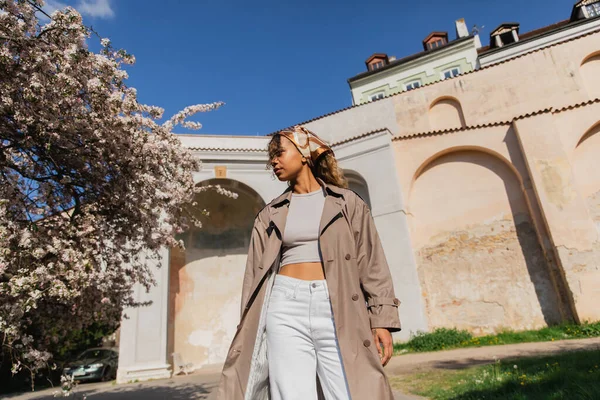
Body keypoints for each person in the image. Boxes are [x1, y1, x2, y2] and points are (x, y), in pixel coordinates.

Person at [217, 126, 401, 400]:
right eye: (272, 157)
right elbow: (253, 278)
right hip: (284, 304)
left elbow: (372, 263)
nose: (274, 162)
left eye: (279, 153)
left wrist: (381, 320)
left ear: (304, 153)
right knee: (291, 394)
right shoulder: (269, 215)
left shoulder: (347, 203)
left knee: (350, 390)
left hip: (337, 303)